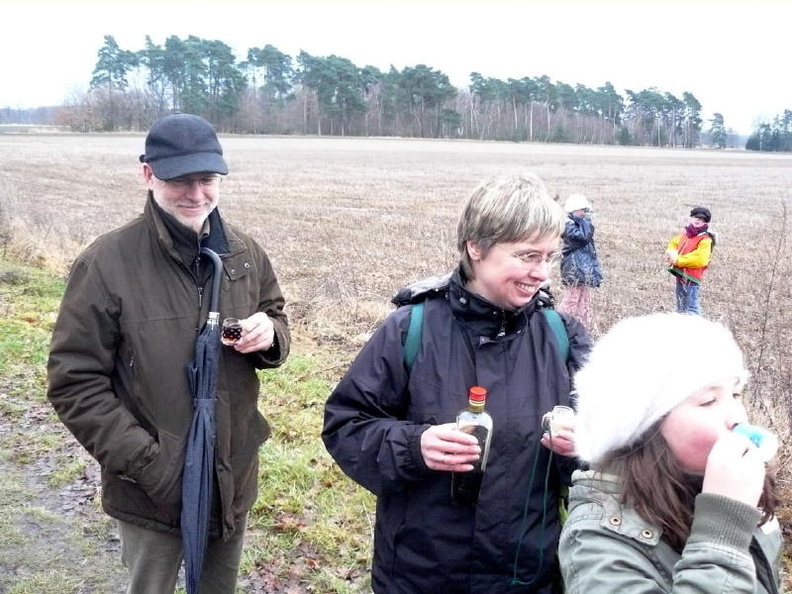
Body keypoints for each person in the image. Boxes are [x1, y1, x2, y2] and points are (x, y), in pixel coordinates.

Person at [47, 113, 291, 593]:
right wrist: (152, 466)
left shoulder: (245, 254)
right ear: (148, 174)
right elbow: (74, 381)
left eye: (207, 180)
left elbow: (276, 317)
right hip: (151, 489)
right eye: (180, 180)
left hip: (230, 476)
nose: (196, 195)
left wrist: (271, 336)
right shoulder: (105, 264)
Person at [322, 173, 592, 593]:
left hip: (527, 576)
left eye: (549, 257)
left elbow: (613, 458)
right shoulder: (409, 330)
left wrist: (584, 447)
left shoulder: (562, 337)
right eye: (527, 256)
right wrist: (415, 446)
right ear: (477, 248)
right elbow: (346, 425)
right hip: (420, 574)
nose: (541, 273)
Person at [559, 313, 781, 593]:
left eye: (736, 394)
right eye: (709, 401)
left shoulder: (730, 486)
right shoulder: (597, 542)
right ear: (644, 428)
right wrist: (723, 530)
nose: (737, 417)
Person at [557, 193, 602, 333]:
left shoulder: (578, 224)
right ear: (574, 210)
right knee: (572, 300)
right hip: (575, 269)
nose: (584, 213)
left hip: (584, 269)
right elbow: (583, 237)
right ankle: (558, 325)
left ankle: (584, 328)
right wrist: (586, 222)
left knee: (584, 300)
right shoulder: (569, 226)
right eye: (582, 210)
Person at [665, 206, 714, 314]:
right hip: (681, 274)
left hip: (692, 277)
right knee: (681, 306)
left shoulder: (705, 239)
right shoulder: (687, 234)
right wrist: (671, 252)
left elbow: (700, 259)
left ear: (706, 223)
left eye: (702, 219)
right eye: (696, 217)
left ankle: (697, 328)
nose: (698, 220)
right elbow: (674, 243)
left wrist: (678, 260)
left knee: (691, 308)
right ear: (690, 218)